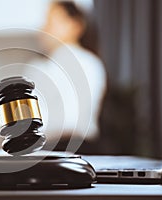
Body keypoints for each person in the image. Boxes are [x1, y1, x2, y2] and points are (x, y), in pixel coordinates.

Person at [25, 1, 107, 153]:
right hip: (66, 147)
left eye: (51, 22)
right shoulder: (43, 66)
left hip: (65, 147)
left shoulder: (85, 64)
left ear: (76, 25)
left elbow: (69, 119)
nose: (44, 29)